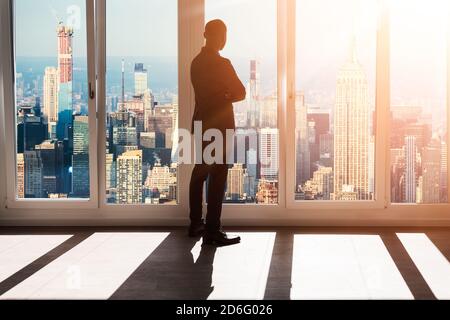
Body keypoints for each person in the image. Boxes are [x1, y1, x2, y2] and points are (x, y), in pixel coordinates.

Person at [188, 19, 246, 246]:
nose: (224, 39)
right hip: (220, 126)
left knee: (199, 173)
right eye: (224, 35)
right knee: (219, 175)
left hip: (202, 123)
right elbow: (240, 92)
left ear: (204, 34)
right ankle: (212, 231)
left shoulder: (196, 63)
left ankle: (195, 223)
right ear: (220, 37)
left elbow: (203, 93)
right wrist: (225, 96)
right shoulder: (223, 64)